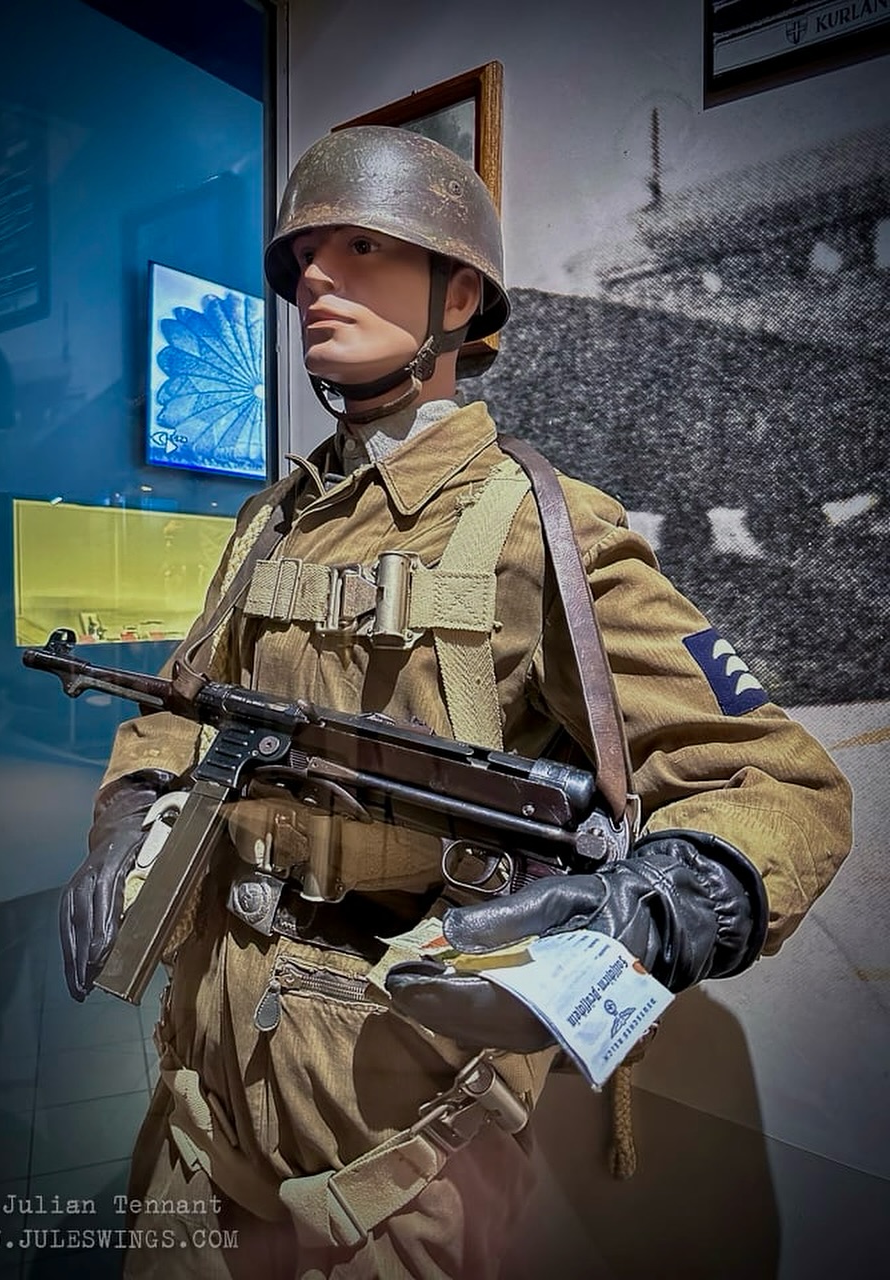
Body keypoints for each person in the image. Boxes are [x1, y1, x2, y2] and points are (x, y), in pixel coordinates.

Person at [59, 126, 852, 1280]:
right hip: (199, 1089)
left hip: (396, 1134)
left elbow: (779, 781)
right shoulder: (268, 519)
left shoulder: (541, 523)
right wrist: (125, 816)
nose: (316, 279)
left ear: (459, 289)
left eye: (364, 247)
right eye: (304, 258)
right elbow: (183, 706)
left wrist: (650, 907)